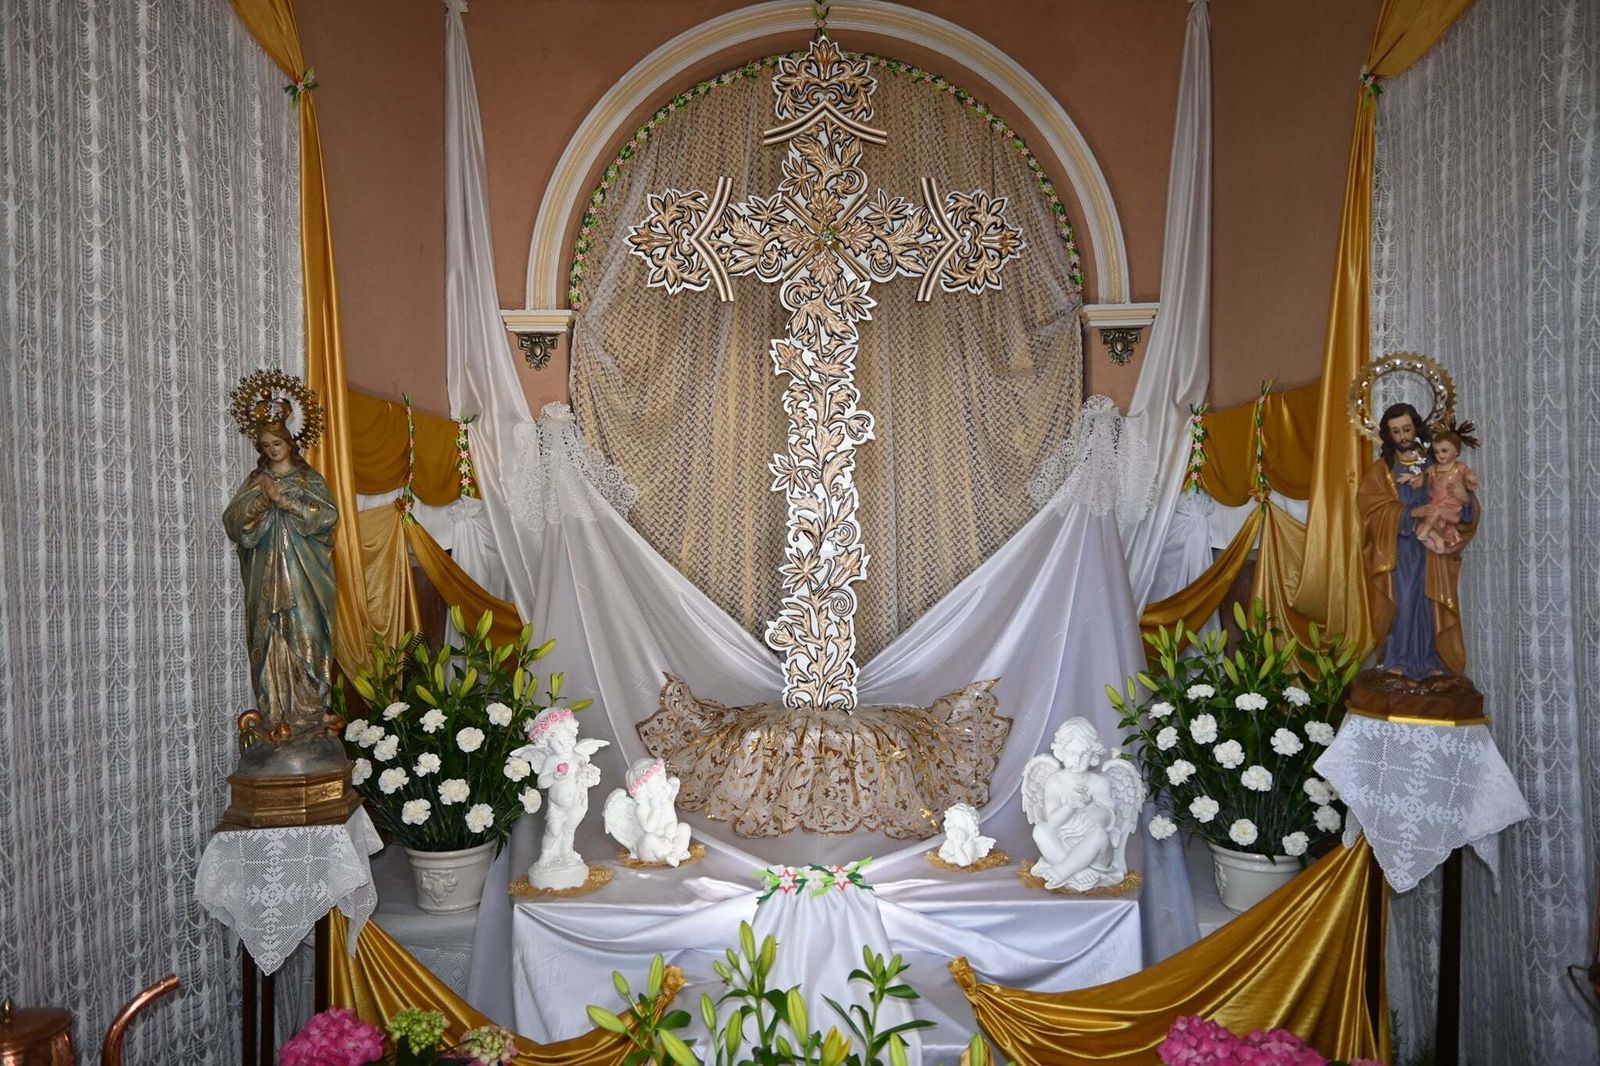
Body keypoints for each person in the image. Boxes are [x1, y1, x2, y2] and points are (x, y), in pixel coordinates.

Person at [222, 416, 339, 747]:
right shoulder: (257, 481)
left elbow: (328, 516)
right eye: (266, 446)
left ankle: (311, 709)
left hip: (304, 575)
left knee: (305, 631)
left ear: (290, 443)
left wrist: (284, 500)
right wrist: (262, 500)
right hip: (267, 575)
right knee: (271, 635)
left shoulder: (307, 479)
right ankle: (276, 712)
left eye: (278, 443)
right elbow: (233, 521)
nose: (273, 450)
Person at [1357, 403, 1478, 678]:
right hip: (1399, 549)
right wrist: (1410, 513)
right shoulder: (1382, 470)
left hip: (1434, 549)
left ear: (1417, 427)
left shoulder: (1437, 464)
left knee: (1430, 601)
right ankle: (1398, 659)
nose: (1402, 436)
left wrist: (1464, 497)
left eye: (1407, 429)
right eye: (1396, 432)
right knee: (1404, 601)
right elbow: (1369, 511)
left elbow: (1465, 512)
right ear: (1388, 435)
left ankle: (1433, 661)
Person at [1412, 429, 1480, 555]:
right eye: (1436, 452)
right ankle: (1438, 541)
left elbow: (1469, 477)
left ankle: (1426, 531)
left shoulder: (1460, 468)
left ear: (1457, 451)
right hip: (1435, 506)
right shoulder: (1433, 469)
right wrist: (1414, 479)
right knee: (1423, 523)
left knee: (1432, 518)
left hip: (1452, 511)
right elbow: (1423, 476)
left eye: (1444, 451)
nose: (1440, 455)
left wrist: (1471, 479)